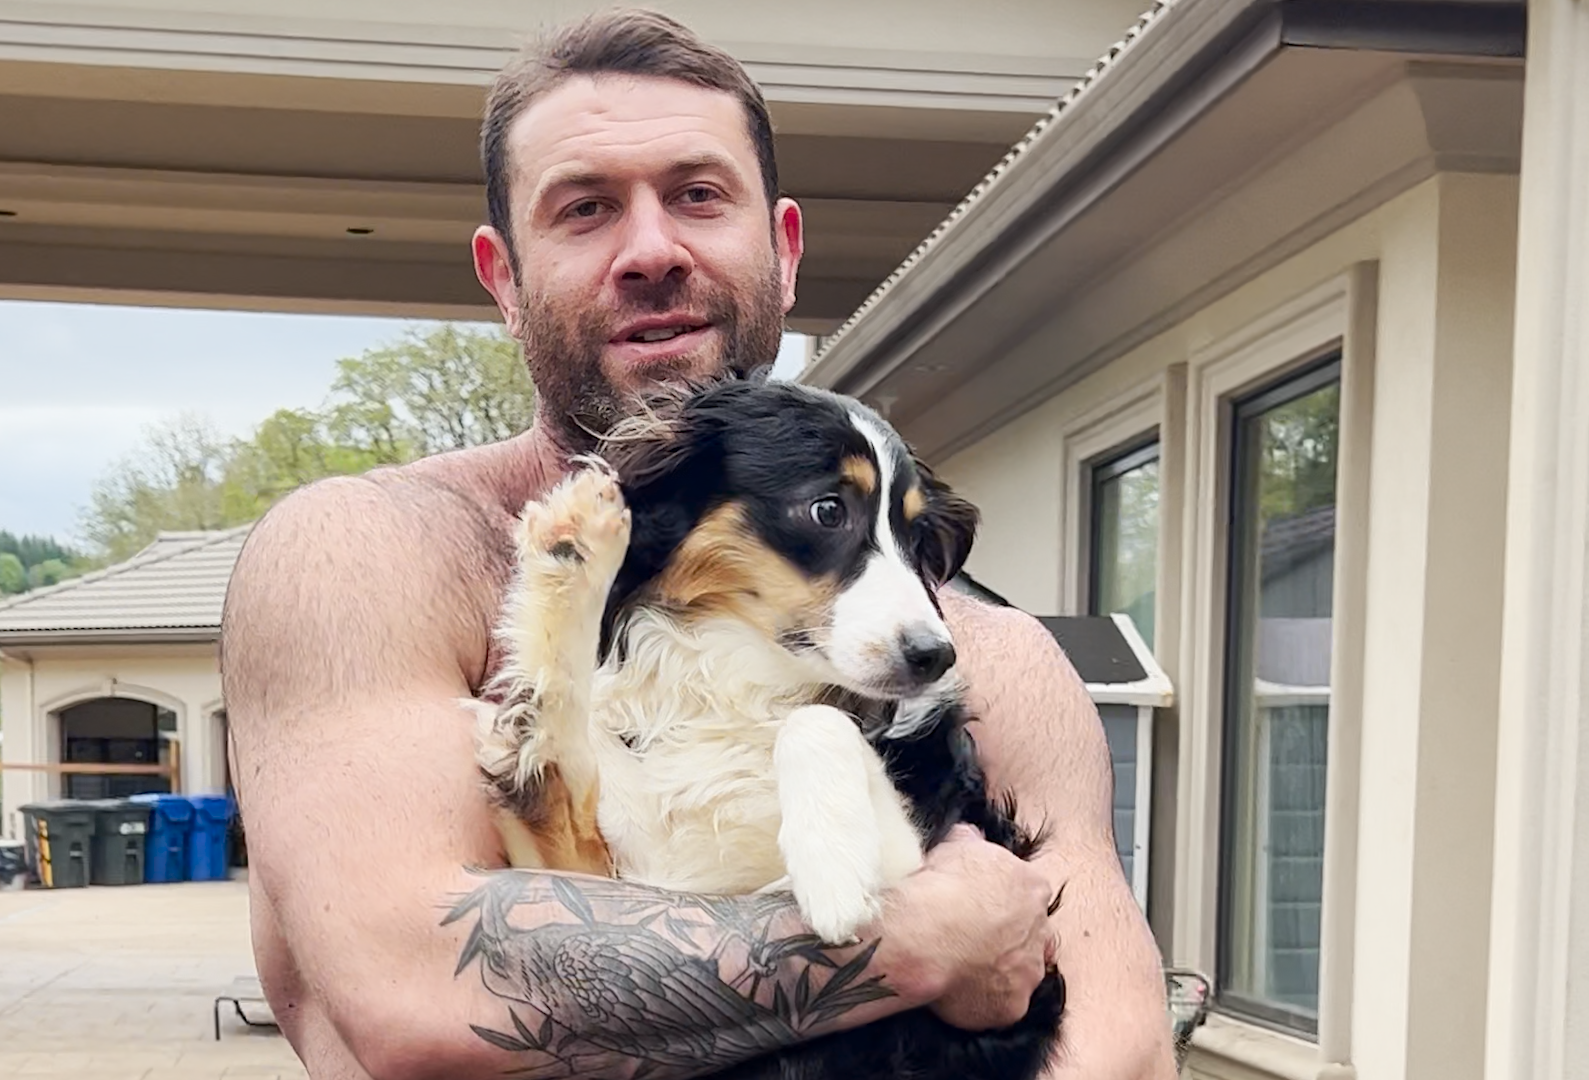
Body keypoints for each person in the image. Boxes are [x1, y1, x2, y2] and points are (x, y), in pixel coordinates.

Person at [219, 9, 1174, 1080]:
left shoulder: (992, 656)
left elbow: (1121, 1045)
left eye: (699, 195)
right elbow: (406, 987)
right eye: (585, 209)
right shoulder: (374, 557)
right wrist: (911, 942)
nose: (650, 251)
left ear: (784, 249)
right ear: (504, 278)